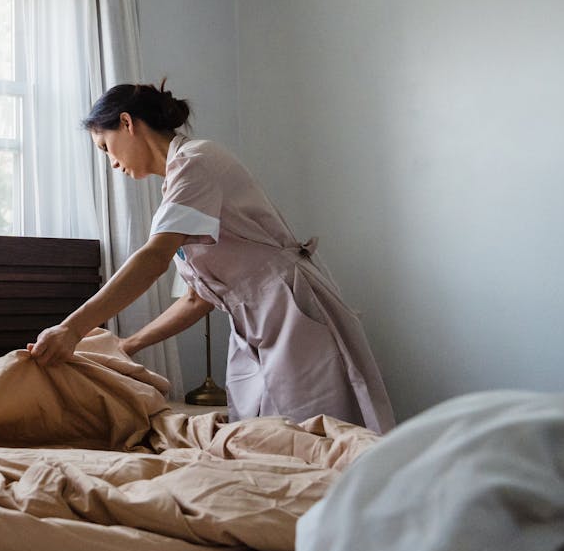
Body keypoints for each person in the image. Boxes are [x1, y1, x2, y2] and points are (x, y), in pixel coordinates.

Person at [28, 81, 394, 433]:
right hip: (255, 322)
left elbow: (154, 258)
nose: (111, 163)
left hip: (290, 309)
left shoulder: (196, 163)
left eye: (105, 147)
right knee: (263, 440)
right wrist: (128, 345)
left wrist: (71, 328)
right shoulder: (180, 182)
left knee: (319, 438)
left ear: (126, 123)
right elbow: (196, 297)